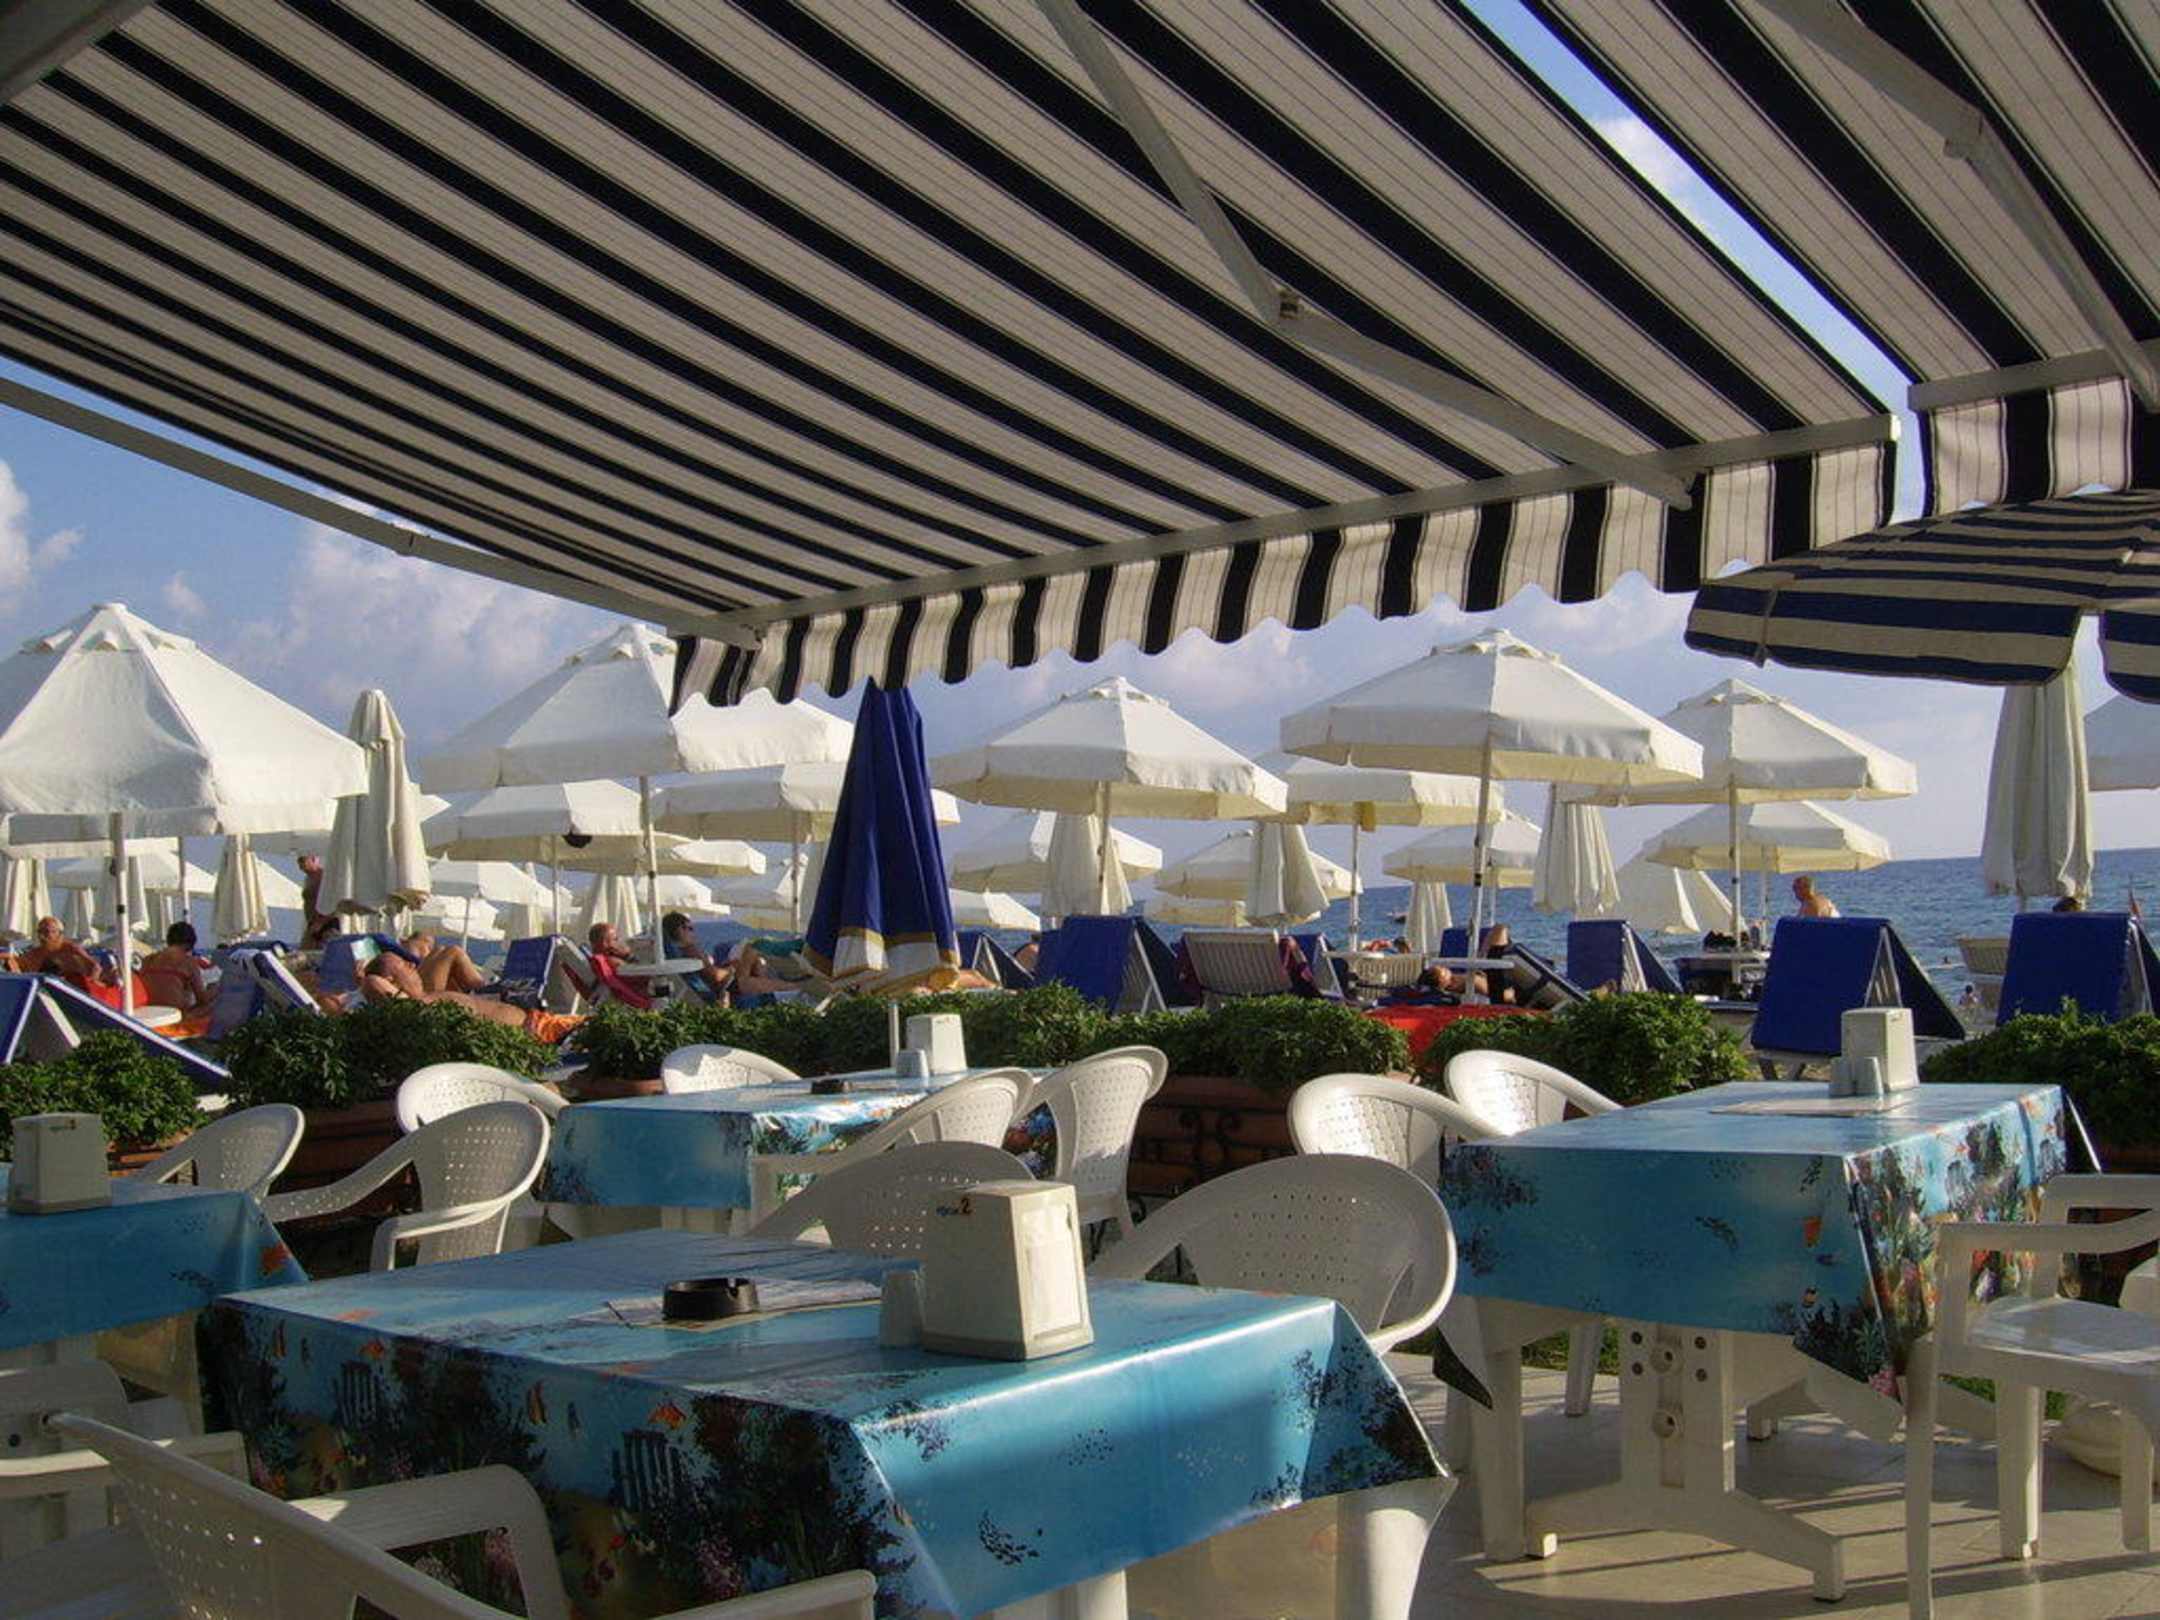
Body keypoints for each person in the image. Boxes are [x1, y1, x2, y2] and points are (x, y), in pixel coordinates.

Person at [139, 922, 213, 1014]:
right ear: (190, 944)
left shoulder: (148, 960)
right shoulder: (188, 962)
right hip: (175, 1015)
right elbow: (202, 999)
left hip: (149, 1014)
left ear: (169, 940)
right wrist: (218, 987)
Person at [17, 915, 108, 983]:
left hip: (75, 991)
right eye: (40, 932)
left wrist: (90, 984)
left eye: (47, 932)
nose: (42, 936)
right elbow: (18, 967)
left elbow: (96, 967)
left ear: (59, 934)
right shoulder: (35, 953)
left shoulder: (70, 949)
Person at [662, 911, 732, 999]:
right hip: (710, 996)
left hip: (693, 995)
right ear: (680, 930)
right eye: (690, 928)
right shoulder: (690, 951)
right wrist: (732, 968)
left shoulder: (671, 953)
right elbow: (716, 976)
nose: (694, 933)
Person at [295, 854, 341, 948]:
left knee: (325, 951)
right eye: (299, 862)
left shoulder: (324, 877)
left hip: (326, 923)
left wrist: (320, 922)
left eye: (303, 861)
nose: (300, 866)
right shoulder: (308, 878)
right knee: (305, 951)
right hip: (312, 923)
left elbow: (334, 902)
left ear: (314, 859)